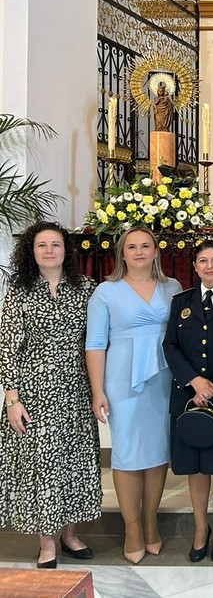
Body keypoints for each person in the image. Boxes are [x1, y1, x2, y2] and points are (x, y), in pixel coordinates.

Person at [0, 222, 100, 569]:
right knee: (43, 466)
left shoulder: (87, 287)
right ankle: (47, 543)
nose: (48, 250)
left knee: (75, 462)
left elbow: (98, 341)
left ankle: (70, 535)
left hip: (76, 387)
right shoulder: (20, 289)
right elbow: (8, 347)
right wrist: (12, 399)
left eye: (55, 244)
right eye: (41, 245)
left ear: (66, 250)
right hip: (34, 391)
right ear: (31, 251)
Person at [86, 226, 183, 564]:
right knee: (127, 452)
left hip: (164, 376)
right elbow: (96, 344)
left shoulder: (173, 287)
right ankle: (132, 527)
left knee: (158, 450)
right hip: (122, 378)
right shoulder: (106, 291)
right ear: (121, 254)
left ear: (156, 251)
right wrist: (98, 390)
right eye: (132, 247)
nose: (139, 252)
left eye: (146, 246)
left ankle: (151, 519)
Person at [162, 240, 213, 563]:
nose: (209, 266)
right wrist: (194, 381)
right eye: (203, 261)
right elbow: (170, 346)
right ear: (194, 267)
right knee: (195, 468)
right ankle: (199, 529)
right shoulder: (181, 301)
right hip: (187, 396)